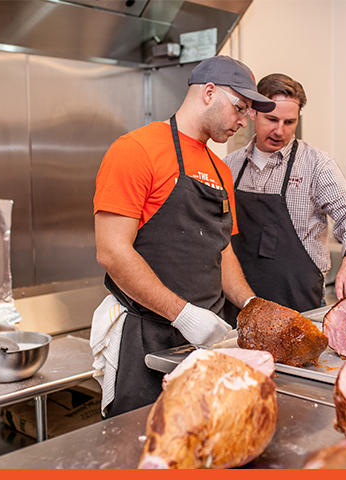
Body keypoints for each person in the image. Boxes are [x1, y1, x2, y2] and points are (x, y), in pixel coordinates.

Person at [92, 56, 276, 418]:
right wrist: (185, 316)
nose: (243, 122)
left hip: (206, 338)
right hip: (148, 336)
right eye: (240, 108)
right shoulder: (136, 150)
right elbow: (112, 253)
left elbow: (221, 251)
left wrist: (251, 304)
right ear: (209, 92)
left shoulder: (219, 169)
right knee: (143, 443)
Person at [222, 73, 346, 318]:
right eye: (271, 119)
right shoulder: (229, 166)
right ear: (253, 113)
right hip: (238, 307)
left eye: (289, 122)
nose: (280, 131)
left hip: (299, 306)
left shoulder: (316, 165)